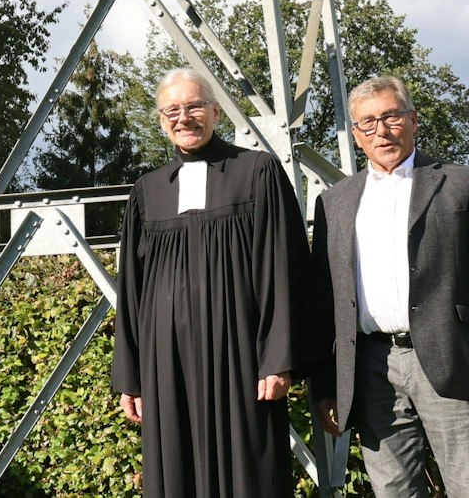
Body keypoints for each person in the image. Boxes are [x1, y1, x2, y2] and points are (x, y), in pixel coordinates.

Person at [310, 76, 469, 497]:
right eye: (368, 123)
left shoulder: (459, 183)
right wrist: (326, 384)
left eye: (390, 116)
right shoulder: (334, 201)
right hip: (370, 370)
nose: (381, 131)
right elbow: (323, 303)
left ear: (413, 120)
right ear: (356, 134)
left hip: (453, 361)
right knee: (393, 491)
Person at [112, 68, 317, 497]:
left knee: (249, 473)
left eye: (193, 106)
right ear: (161, 119)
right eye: (172, 110)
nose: (183, 118)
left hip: (241, 356)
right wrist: (130, 375)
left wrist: (278, 358)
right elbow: (131, 290)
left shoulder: (256, 172)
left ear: (215, 112)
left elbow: (284, 266)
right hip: (166, 363)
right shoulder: (147, 191)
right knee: (175, 472)